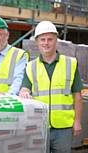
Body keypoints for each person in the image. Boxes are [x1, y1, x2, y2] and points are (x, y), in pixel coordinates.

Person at [19, 21, 83, 153]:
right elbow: (24, 88)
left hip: (64, 128)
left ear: (56, 41)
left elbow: (77, 95)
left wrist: (77, 121)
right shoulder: (31, 66)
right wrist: (24, 91)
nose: (46, 43)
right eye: (42, 39)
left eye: (50, 39)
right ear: (37, 42)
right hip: (39, 126)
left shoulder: (70, 64)